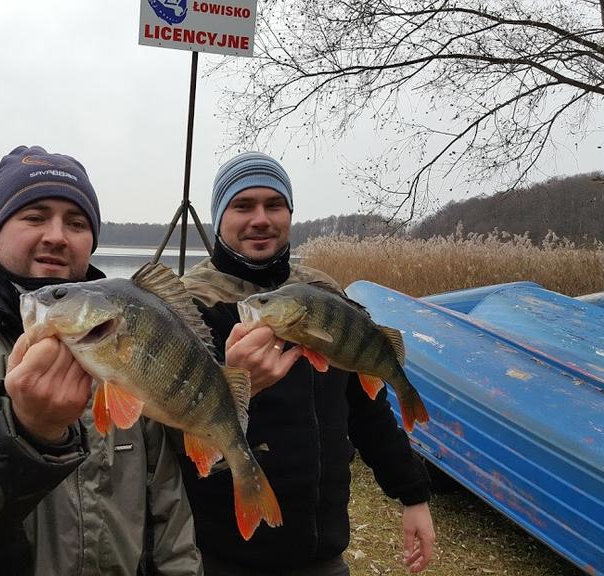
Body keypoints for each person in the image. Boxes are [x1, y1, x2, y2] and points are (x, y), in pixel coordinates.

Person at [0, 145, 201, 576]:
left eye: (77, 223)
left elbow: (168, 514)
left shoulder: (124, 341)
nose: (57, 235)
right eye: (35, 215)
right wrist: (20, 427)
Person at [179, 152, 435, 576]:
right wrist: (239, 385)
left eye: (273, 205)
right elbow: (174, 440)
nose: (260, 218)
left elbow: (367, 411)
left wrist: (413, 495)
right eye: (243, 206)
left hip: (322, 555)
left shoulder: (324, 295)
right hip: (221, 556)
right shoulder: (191, 308)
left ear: (289, 214)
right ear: (218, 218)